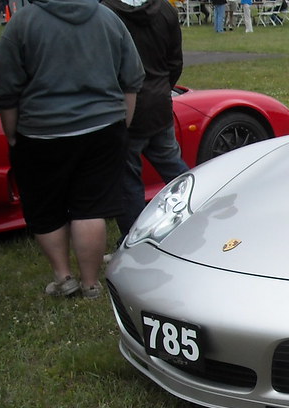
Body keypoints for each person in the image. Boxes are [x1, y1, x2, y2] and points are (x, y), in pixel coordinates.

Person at [0, 0, 144, 299]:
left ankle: (63, 278)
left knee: (45, 207)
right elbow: (132, 78)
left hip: (41, 132)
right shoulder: (107, 18)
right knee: (91, 208)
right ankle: (90, 284)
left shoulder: (23, 23)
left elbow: (4, 87)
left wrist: (12, 135)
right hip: (103, 128)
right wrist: (121, 123)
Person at [103, 0, 190, 242]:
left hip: (126, 105)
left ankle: (133, 237)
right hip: (158, 100)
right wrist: (163, 88)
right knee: (173, 167)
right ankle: (193, 211)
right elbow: (175, 61)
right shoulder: (165, 9)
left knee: (128, 178)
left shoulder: (106, 13)